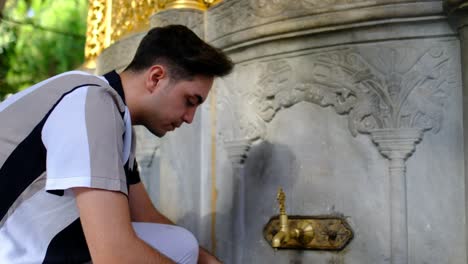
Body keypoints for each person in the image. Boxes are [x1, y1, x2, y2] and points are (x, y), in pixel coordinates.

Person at [0, 24, 233, 263]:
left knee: (182, 244)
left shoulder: (112, 115)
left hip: (28, 244)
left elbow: (145, 215)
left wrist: (207, 260)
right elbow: (114, 256)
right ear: (156, 78)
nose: (189, 117)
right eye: (189, 101)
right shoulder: (91, 103)